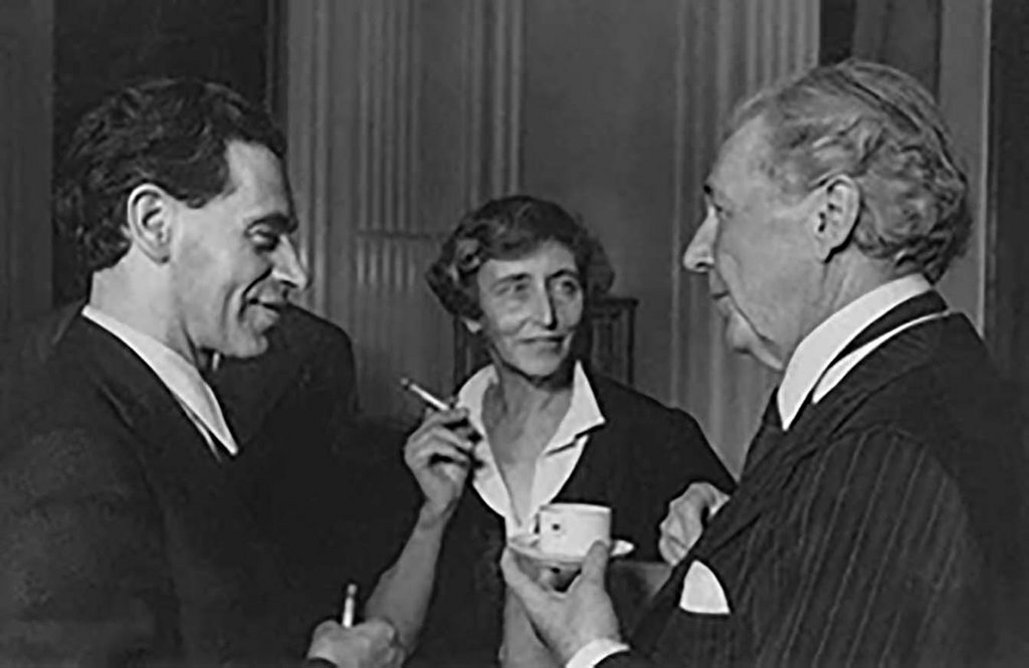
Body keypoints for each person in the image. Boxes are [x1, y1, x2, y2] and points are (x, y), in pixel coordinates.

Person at [501, 59, 1026, 667]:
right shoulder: (907, 388)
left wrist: (589, 650)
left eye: (722, 212)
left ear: (830, 216)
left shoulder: (881, 452)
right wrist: (746, 544)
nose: (696, 254)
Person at [0, 78, 403, 667]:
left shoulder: (157, 407)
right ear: (153, 224)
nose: (296, 272)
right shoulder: (70, 451)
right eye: (265, 239)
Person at [362, 195, 734, 667]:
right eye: (516, 289)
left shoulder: (658, 438)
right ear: (471, 313)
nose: (548, 316)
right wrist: (434, 516)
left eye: (564, 286)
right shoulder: (429, 450)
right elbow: (383, 642)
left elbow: (735, 616)